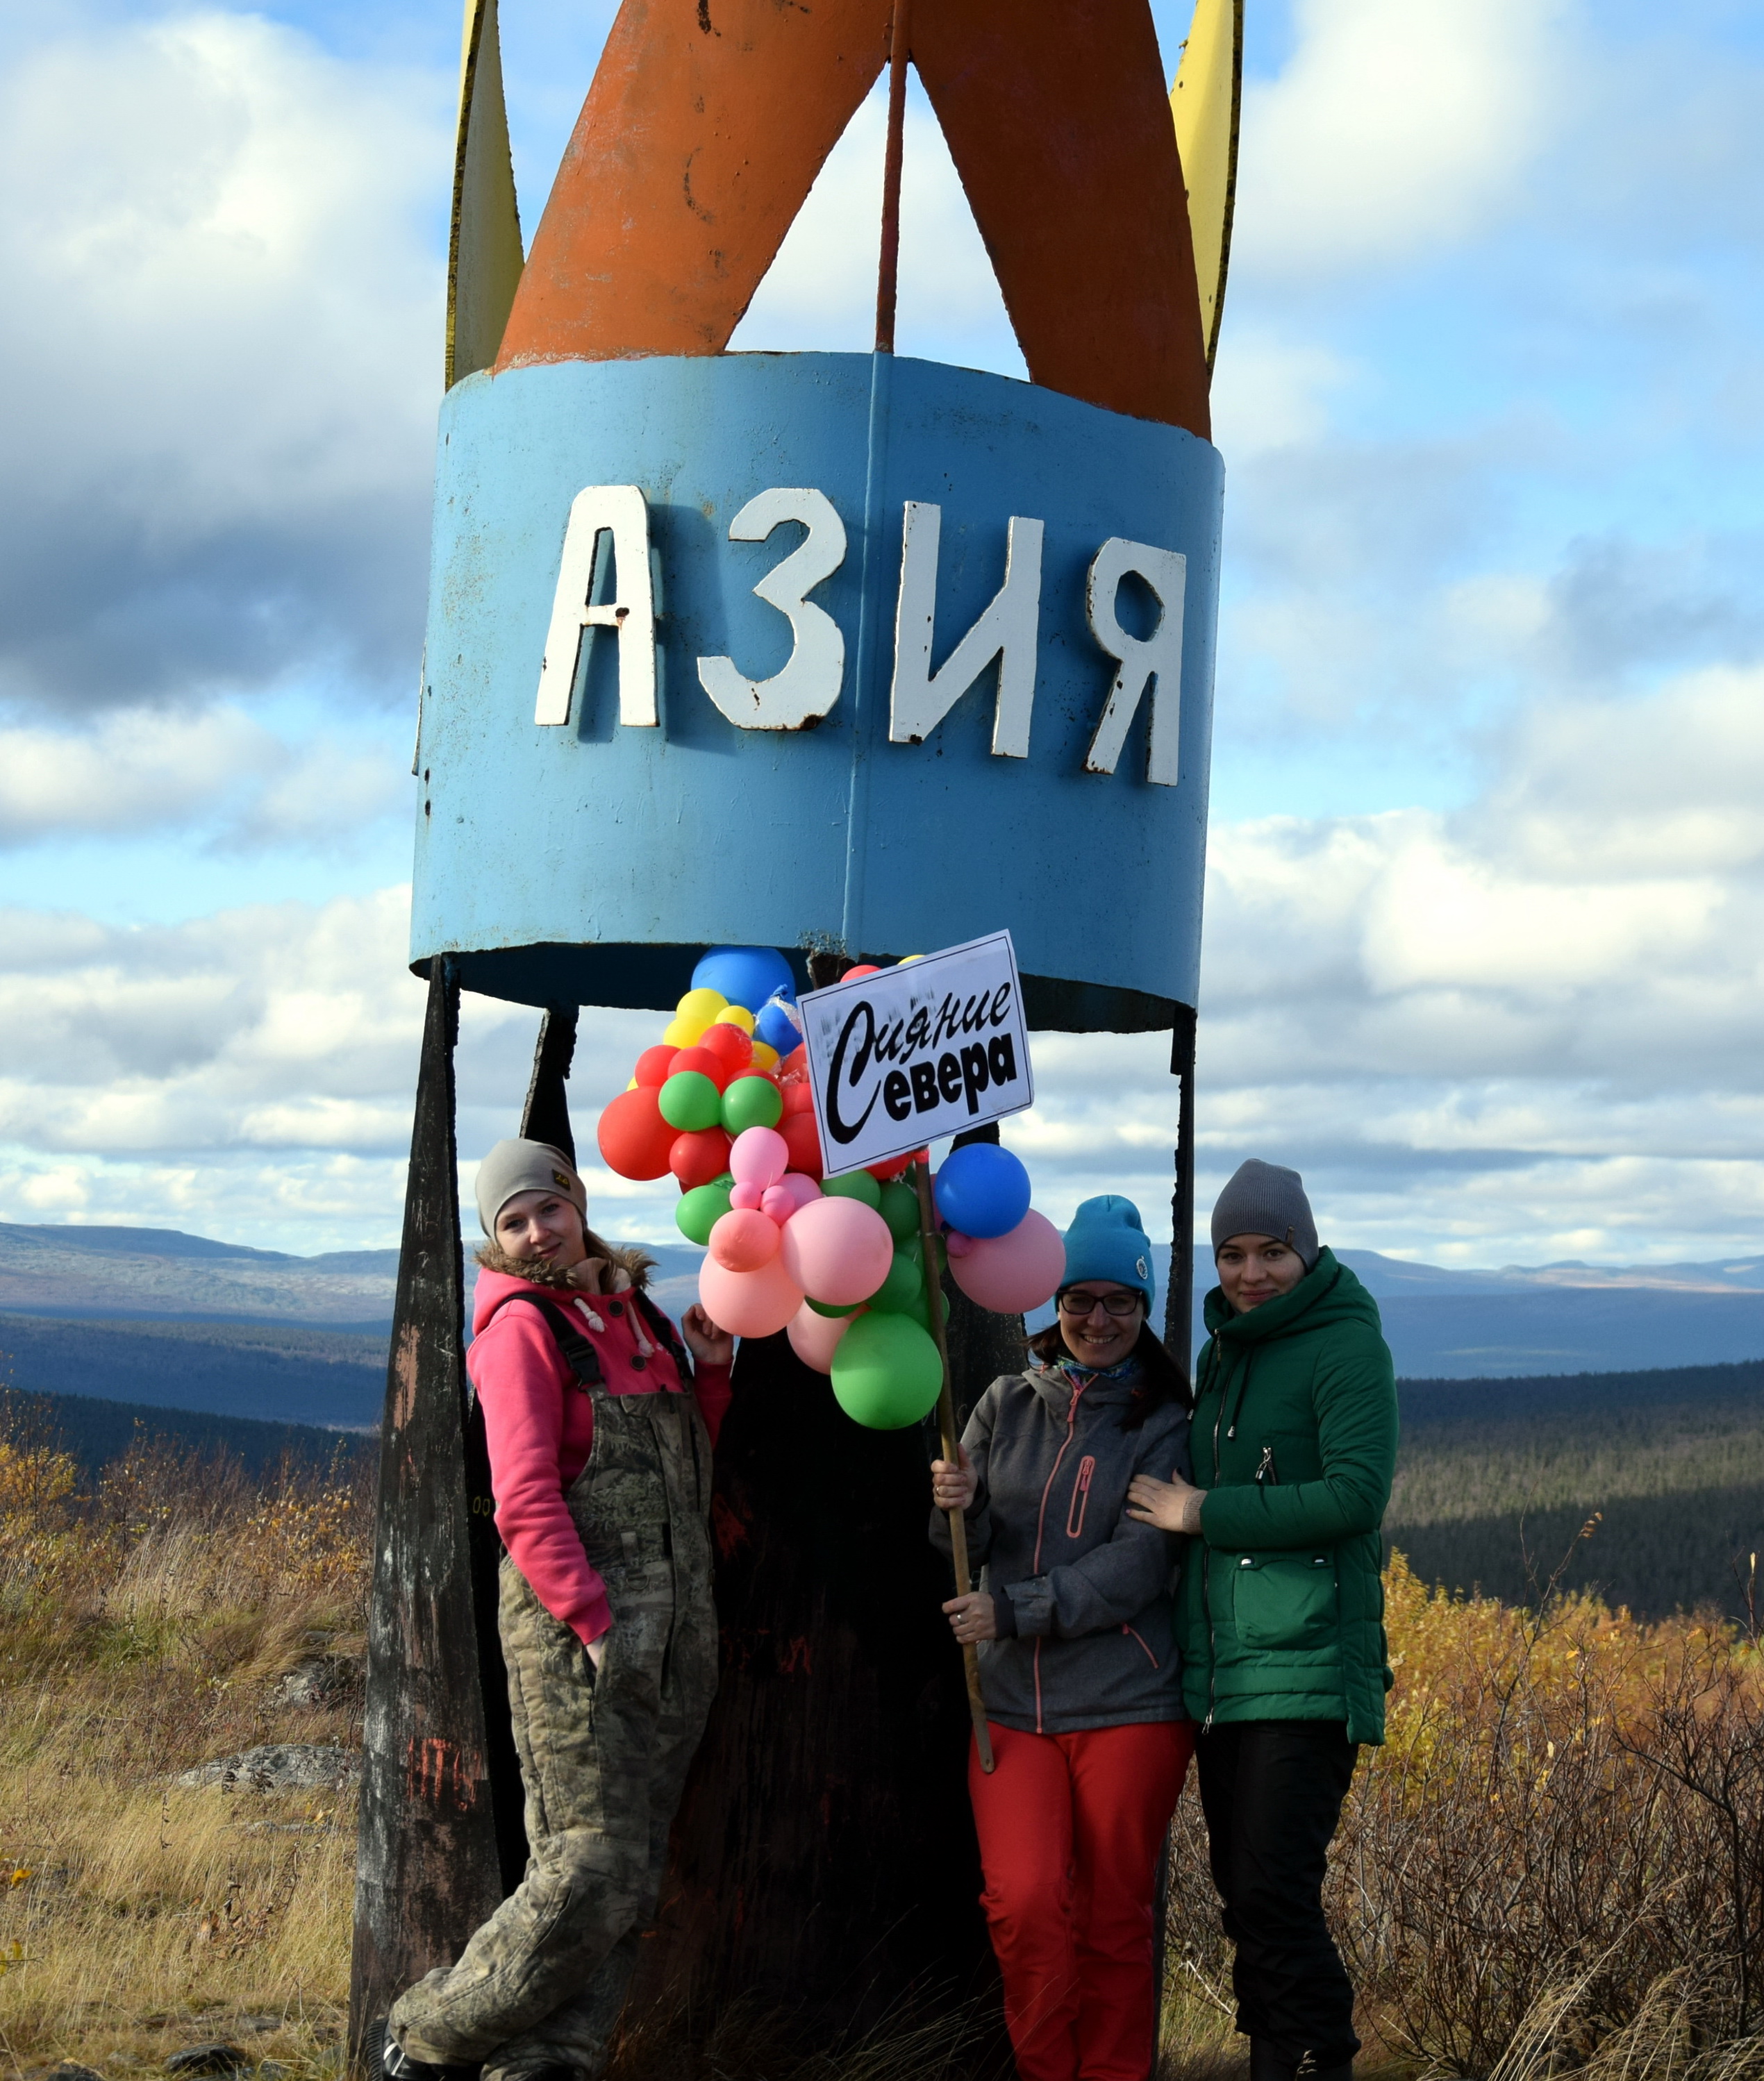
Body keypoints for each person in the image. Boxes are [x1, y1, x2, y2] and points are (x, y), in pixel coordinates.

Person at [381, 1137, 734, 2081]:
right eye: (513, 1219)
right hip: (580, 1637)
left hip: (676, 1639)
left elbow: (684, 1469)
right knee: (585, 1864)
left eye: (549, 1207)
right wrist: (596, 1624)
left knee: (634, 1876)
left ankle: (548, 2061)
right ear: (493, 1237)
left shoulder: (639, 1315)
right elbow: (524, 1496)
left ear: (577, 1202)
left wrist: (708, 1371)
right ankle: (424, 2036)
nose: (537, 1231)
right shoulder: (521, 1328)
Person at [1127, 1160, 1398, 2081]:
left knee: (1275, 1893)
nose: (1251, 1273)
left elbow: (1356, 1496)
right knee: (1247, 1898)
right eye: (1233, 1253)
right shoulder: (1225, 1350)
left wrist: (1205, 1511)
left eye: (1272, 1251)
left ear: (1306, 1249)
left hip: (1311, 1663)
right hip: (1228, 1672)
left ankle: (1322, 2062)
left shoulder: (1346, 1343)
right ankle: (1276, 2064)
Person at [929, 1194, 1195, 2081]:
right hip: (1007, 1704)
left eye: (1120, 1300)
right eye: (1080, 1298)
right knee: (1024, 1904)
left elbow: (1139, 1565)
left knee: (1114, 1917)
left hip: (1129, 1702)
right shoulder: (1004, 1403)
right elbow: (958, 1546)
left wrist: (1016, 1610)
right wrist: (952, 1510)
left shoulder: (1165, 1423)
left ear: (1144, 1307)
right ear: (1052, 1303)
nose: (1098, 1318)